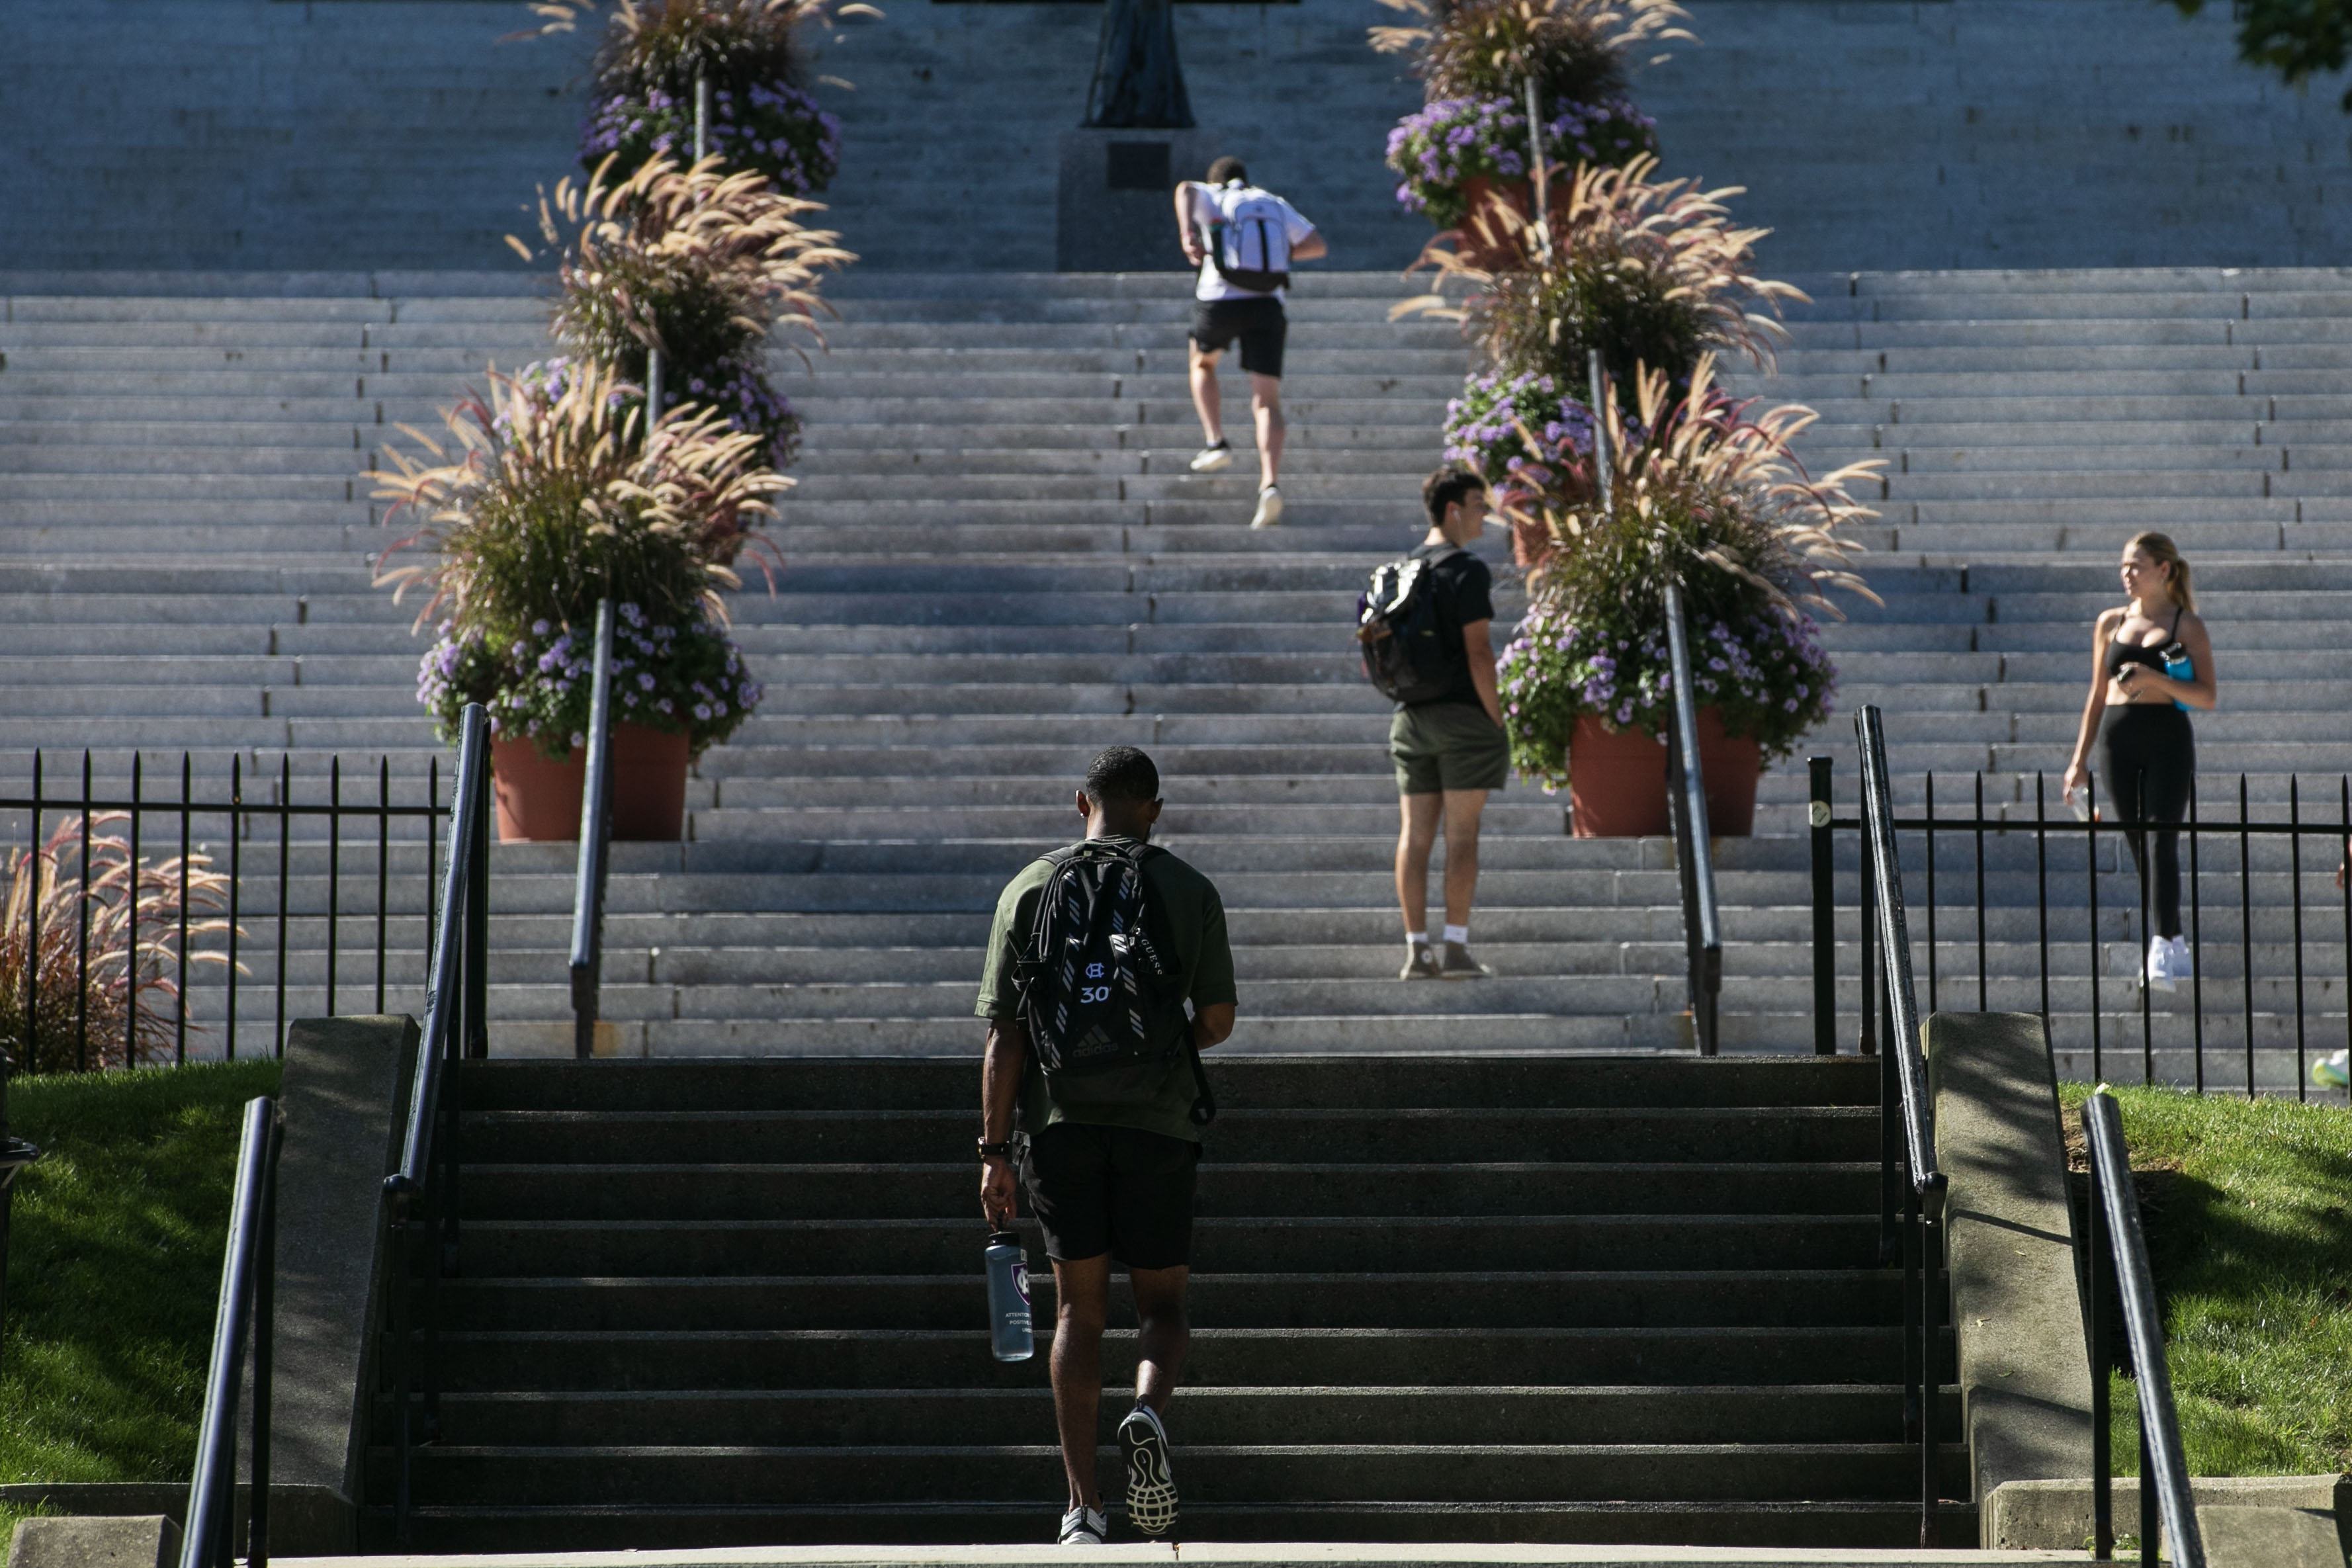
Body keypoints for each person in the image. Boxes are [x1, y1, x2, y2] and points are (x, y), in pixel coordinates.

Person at [975, 746, 1237, 1546]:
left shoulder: (1027, 888)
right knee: (1162, 1305)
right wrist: (1162, 1052)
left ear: (1076, 802)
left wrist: (992, 1153)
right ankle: (1148, 1412)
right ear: (1155, 810)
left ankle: (1082, 1508)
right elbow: (1220, 1020)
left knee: (1077, 1316)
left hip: (1061, 1130)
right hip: (1158, 1126)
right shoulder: (1189, 889)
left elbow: (1006, 1039)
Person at [2062, 533, 2217, 992]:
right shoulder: (2109, 622)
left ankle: (2160, 943)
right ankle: (2173, 939)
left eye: (2136, 566)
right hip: (2116, 739)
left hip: (2166, 738)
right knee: (2137, 842)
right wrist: (2078, 761)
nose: (2126, 574)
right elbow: (2095, 693)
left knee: (2159, 838)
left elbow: (2206, 696)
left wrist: (2153, 677)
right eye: (2123, 566)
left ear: (2163, 570)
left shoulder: (2185, 625)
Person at [1391, 466, 1508, 981]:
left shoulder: (1400, 569)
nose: (1486, 514)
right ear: (1453, 509)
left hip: (1410, 718)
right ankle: (1455, 947)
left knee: (1414, 837)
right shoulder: (1467, 571)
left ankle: (1416, 951)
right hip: (1463, 718)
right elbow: (1479, 653)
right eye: (1479, 505)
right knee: (1462, 836)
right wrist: (1496, 716)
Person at [1173, 156, 1327, 530]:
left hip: (1219, 298)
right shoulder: (1272, 202)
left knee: (1202, 363)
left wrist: (1188, 235)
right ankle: (1269, 482)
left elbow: (1185, 189)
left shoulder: (1215, 194)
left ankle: (1216, 442)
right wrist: (1275, 255)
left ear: (1218, 179)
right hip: (1268, 304)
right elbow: (1317, 245)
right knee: (1267, 400)